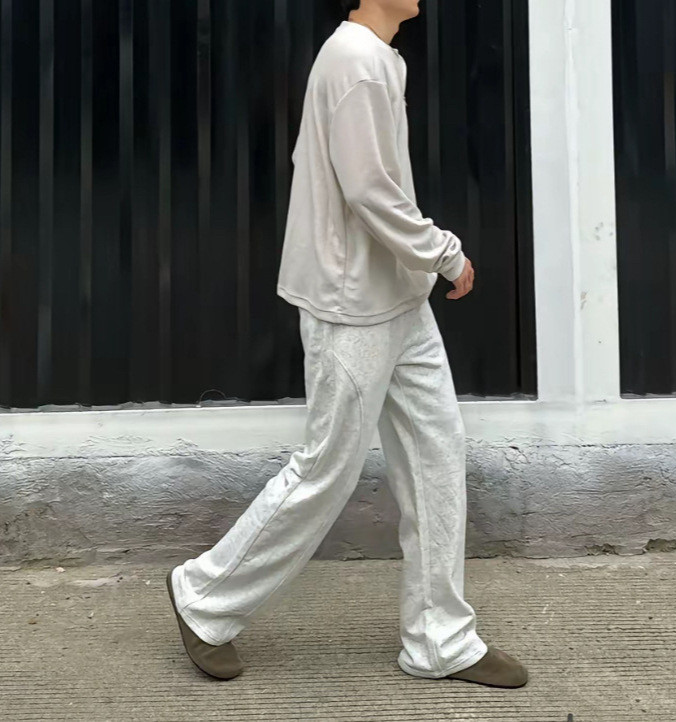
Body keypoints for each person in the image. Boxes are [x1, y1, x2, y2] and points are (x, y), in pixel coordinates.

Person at [166, 0, 528, 689]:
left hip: (396, 298)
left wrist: (419, 267)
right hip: (353, 306)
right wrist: (445, 254)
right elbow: (369, 191)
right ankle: (204, 597)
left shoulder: (376, 57)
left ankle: (439, 640)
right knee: (326, 470)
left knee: (437, 455)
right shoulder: (356, 61)